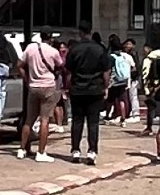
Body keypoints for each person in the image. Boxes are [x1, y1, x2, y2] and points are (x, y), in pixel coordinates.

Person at [65, 28, 111, 165]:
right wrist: (105, 86)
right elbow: (106, 71)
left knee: (77, 121)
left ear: (80, 32)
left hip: (77, 89)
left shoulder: (74, 49)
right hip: (95, 89)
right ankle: (92, 151)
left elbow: (68, 72)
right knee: (93, 122)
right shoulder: (99, 49)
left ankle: (75, 150)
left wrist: (68, 87)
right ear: (90, 31)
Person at [19, 30, 62, 162]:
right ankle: (41, 152)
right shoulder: (53, 51)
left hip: (33, 86)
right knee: (44, 120)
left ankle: (22, 149)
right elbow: (60, 65)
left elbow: (20, 65)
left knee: (29, 120)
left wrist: (27, 80)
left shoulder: (30, 48)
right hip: (48, 86)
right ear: (51, 38)